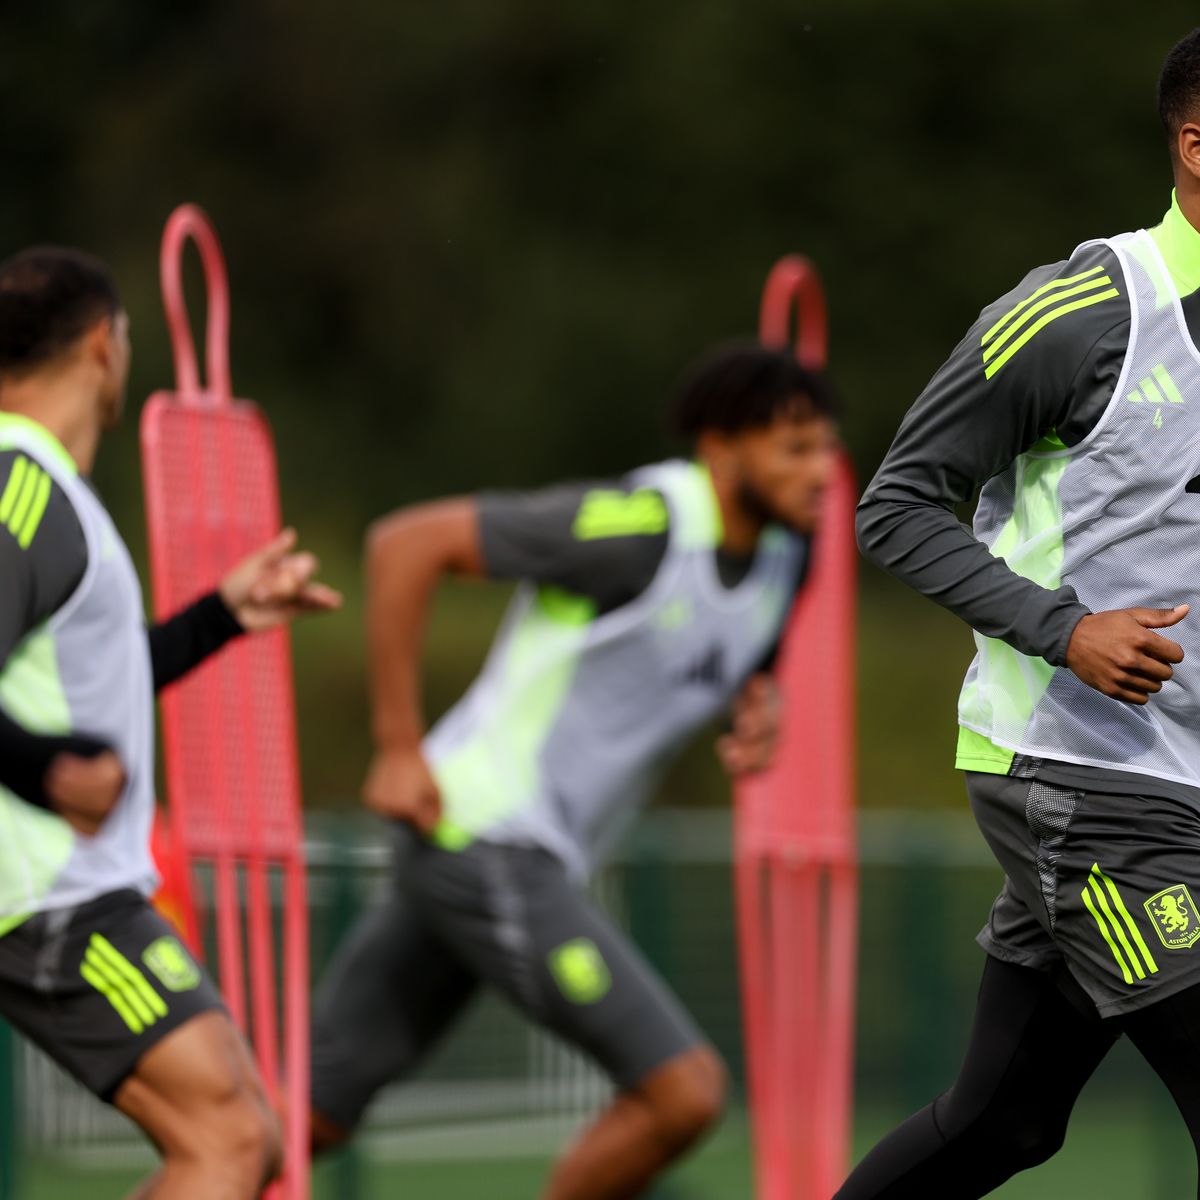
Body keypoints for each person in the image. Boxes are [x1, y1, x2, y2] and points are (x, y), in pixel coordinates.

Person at [840, 20, 1200, 1199]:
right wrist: (1066, 629)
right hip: (1067, 772)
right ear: (1198, 149)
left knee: (1004, 1125)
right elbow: (895, 507)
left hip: (1189, 778)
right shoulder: (1079, 313)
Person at [308, 343, 838, 1199]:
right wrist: (399, 745)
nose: (821, 472)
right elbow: (406, 543)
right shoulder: (639, 527)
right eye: (794, 449)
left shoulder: (789, 554)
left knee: (303, 1118)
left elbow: (738, 653)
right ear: (719, 449)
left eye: (826, 448)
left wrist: (757, 707)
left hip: (493, 853)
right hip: (482, 834)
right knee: (682, 1093)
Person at [0, 245, 341, 1199]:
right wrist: (47, 771)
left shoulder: (47, 493)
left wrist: (219, 617)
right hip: (47, 893)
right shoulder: (22, 487)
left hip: (65, 887)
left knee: (244, 1137)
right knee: (231, 1140)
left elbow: (91, 689)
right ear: (104, 347)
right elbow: (58, 738)